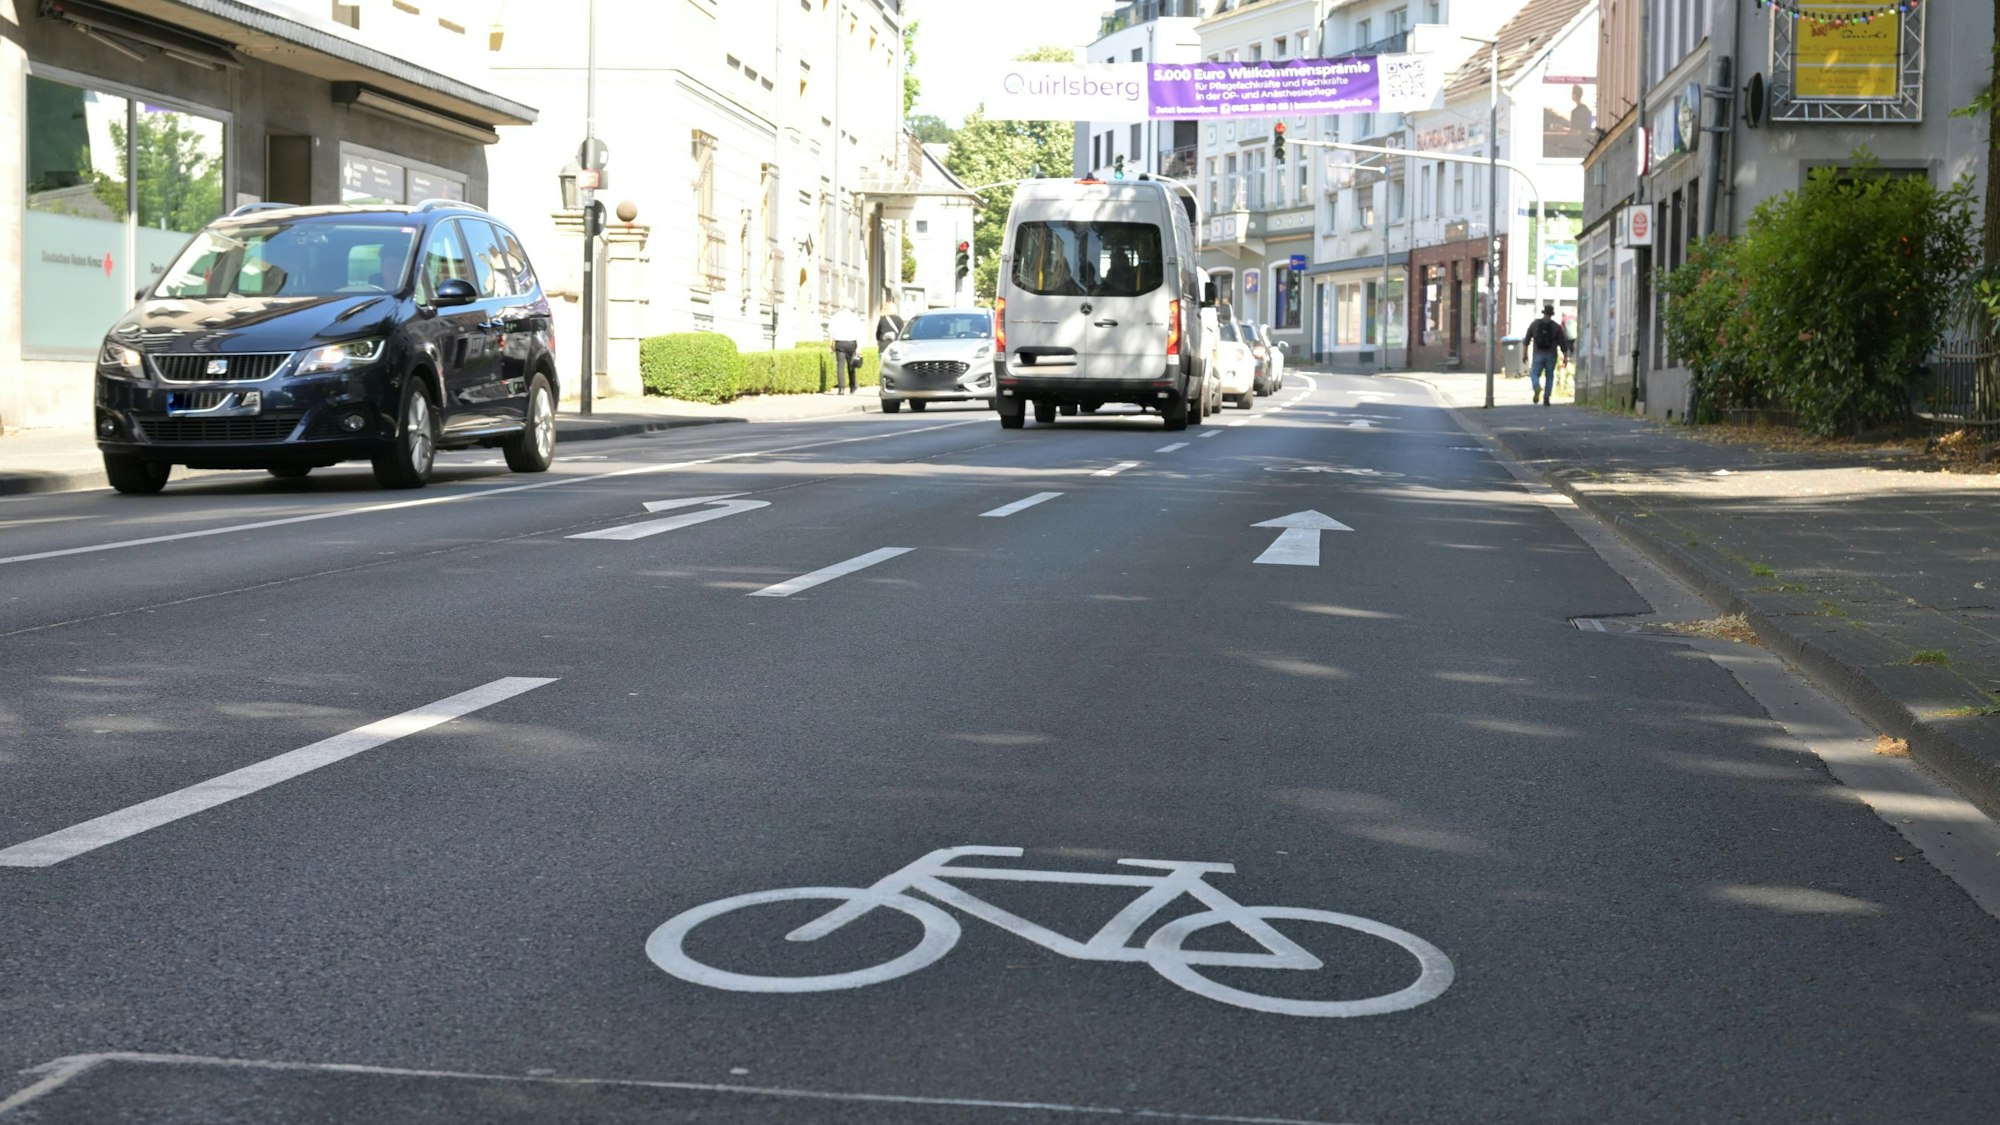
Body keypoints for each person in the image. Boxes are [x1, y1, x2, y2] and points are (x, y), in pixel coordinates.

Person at [1522, 302, 1571, 406]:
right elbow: (1563, 344)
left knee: (1534, 373)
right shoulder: (1557, 327)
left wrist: (1524, 354)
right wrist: (1565, 358)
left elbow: (1526, 341)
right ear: (1552, 314)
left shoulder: (1534, 324)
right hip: (1551, 355)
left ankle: (1536, 387)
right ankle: (1546, 398)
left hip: (1538, 354)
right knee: (1549, 376)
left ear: (1543, 313)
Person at [827, 307, 863, 394]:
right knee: (851, 365)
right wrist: (859, 346)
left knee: (840, 366)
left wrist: (830, 345)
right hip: (851, 343)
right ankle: (852, 386)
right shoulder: (855, 317)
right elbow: (858, 333)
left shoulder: (835, 317)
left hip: (839, 343)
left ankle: (841, 388)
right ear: (851, 307)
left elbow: (831, 332)